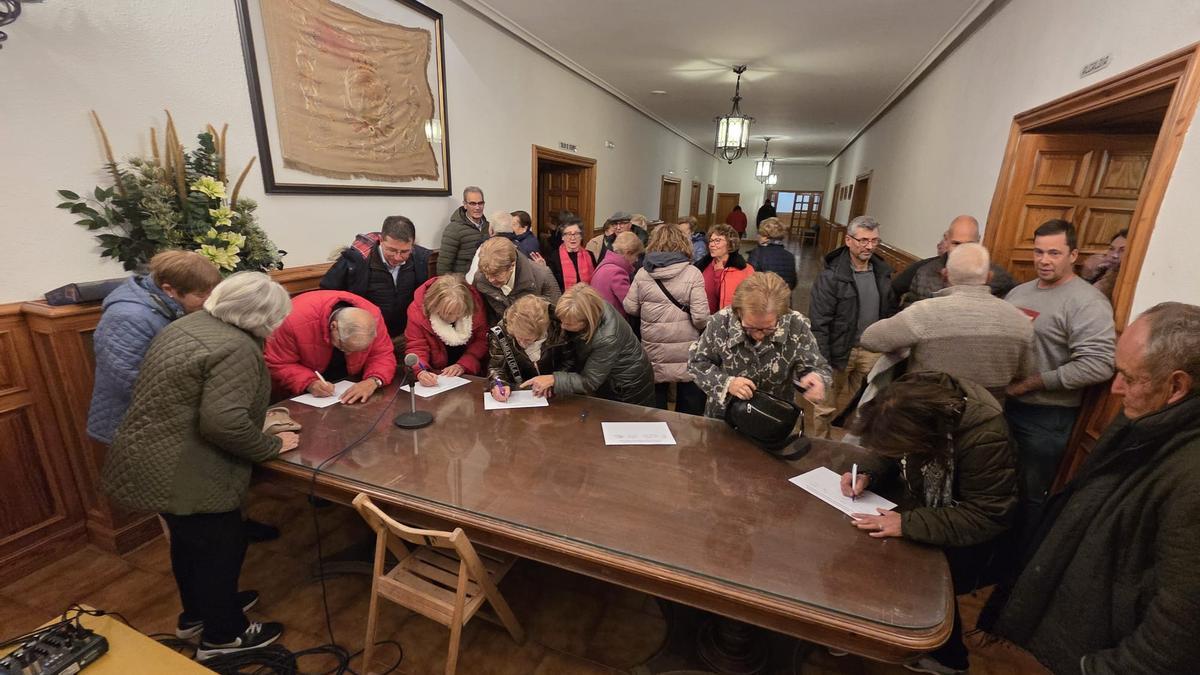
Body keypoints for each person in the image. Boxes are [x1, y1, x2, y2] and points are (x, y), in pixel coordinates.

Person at [983, 301, 1200, 675]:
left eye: (1130, 378)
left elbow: (1181, 624)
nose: (1115, 388)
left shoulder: (1190, 473)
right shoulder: (1153, 423)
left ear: (1177, 385)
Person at [100, 272, 297, 660]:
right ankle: (224, 637)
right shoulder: (237, 347)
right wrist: (270, 444)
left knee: (189, 548)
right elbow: (224, 423)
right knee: (220, 549)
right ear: (262, 317)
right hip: (190, 471)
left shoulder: (188, 324)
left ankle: (196, 616)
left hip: (151, 459)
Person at [840, 371, 1017, 675]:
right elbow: (890, 452)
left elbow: (989, 514)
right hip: (923, 508)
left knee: (925, 588)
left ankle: (948, 661)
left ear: (923, 438)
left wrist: (907, 524)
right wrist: (867, 472)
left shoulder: (984, 435)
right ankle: (858, 630)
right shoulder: (908, 402)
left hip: (964, 537)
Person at [1003, 219, 1115, 532]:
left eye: (1054, 253)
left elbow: (1099, 363)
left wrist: (1031, 383)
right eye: (1038, 252)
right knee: (997, 487)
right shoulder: (1019, 292)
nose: (1044, 260)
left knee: (1030, 497)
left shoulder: (1087, 302)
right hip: (1005, 405)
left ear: (1073, 255)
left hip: (1046, 418)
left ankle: (1015, 573)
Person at [860, 243, 1036, 402]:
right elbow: (1024, 372)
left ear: (945, 275)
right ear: (989, 277)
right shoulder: (1020, 320)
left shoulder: (925, 312)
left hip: (926, 414)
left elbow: (870, 339)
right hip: (986, 422)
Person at [88, 250, 222, 446]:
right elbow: (128, 379)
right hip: (134, 426)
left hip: (166, 417)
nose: (209, 302)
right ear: (169, 290)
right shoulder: (127, 316)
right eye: (201, 295)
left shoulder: (170, 305)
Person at [689, 272, 829, 419]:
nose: (759, 335)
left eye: (768, 328)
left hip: (773, 420)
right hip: (724, 418)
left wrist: (816, 379)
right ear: (739, 312)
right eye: (750, 327)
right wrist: (726, 384)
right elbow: (696, 363)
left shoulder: (796, 325)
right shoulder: (720, 322)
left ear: (781, 314)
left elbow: (818, 366)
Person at [808, 215, 894, 438]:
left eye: (874, 241)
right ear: (848, 240)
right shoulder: (831, 277)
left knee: (864, 405)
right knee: (825, 405)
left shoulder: (882, 273)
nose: (869, 246)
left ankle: (850, 450)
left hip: (871, 352)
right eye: (863, 240)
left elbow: (889, 312)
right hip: (838, 351)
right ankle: (821, 448)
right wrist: (822, 360)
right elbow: (820, 322)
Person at [520, 283, 654, 406]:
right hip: (609, 379)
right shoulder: (590, 306)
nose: (563, 326)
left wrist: (553, 379)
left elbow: (589, 382)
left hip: (625, 387)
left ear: (586, 321)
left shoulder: (607, 337)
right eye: (562, 321)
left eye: (569, 324)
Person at [625, 224, 711, 415]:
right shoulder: (693, 274)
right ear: (683, 243)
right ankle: (686, 439)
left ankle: (658, 437)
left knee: (656, 399)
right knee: (688, 399)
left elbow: (630, 307)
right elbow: (700, 318)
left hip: (653, 345)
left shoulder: (643, 273)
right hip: (686, 347)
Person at [264, 290, 397, 402]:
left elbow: (381, 354)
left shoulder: (372, 317)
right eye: (344, 346)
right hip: (304, 393)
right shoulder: (292, 320)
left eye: (358, 350)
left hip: (348, 382)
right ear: (333, 326)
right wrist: (309, 383)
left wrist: (374, 381)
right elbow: (278, 363)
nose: (350, 354)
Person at [319, 215, 432, 342]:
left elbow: (421, 295)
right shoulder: (357, 260)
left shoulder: (419, 259)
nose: (397, 257)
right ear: (381, 240)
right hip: (369, 336)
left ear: (412, 244)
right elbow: (327, 294)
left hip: (405, 334)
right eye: (391, 250)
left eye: (405, 251)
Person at [900, 215, 1016, 307]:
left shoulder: (999, 276)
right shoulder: (924, 272)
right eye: (956, 243)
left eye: (969, 244)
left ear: (978, 241)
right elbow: (908, 308)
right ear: (947, 240)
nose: (962, 250)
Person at [404, 274, 489, 387]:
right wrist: (421, 371)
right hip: (436, 374)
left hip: (470, 373)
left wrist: (464, 364)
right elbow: (416, 347)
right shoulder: (417, 311)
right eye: (448, 313)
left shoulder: (475, 305)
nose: (453, 318)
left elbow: (482, 339)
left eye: (459, 313)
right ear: (434, 305)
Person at [487, 295, 576, 401]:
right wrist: (499, 383)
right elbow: (496, 368)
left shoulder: (559, 329)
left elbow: (570, 363)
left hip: (555, 394)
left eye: (528, 340)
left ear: (542, 331)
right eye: (518, 338)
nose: (522, 344)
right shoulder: (500, 333)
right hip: (518, 393)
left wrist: (553, 381)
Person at [473, 236, 561, 326]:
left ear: (512, 265)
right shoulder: (480, 279)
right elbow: (483, 314)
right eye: (486, 274)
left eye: (496, 275)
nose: (490, 280)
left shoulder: (542, 276)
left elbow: (557, 317)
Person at [695, 223, 754, 312]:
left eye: (717, 240)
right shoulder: (703, 265)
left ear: (730, 244)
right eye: (711, 241)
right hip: (703, 318)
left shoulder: (744, 269)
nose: (711, 245)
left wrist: (719, 273)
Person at [437, 186, 489, 274]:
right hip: (463, 282)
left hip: (486, 280)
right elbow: (444, 266)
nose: (477, 207)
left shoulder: (489, 226)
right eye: (473, 203)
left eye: (480, 203)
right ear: (465, 205)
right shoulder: (453, 229)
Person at [590, 231, 643, 317]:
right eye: (636, 255)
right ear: (628, 253)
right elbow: (631, 306)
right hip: (612, 322)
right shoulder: (617, 273)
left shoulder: (604, 264)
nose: (636, 260)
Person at [546, 216, 597, 291]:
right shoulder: (554, 257)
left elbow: (595, 280)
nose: (573, 238)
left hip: (587, 299)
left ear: (581, 236)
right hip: (564, 300)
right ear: (563, 237)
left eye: (576, 234)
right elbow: (551, 285)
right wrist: (544, 270)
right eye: (569, 234)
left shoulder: (590, 255)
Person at [746, 217, 798, 289]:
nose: (757, 236)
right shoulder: (790, 256)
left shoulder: (757, 253)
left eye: (759, 234)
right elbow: (793, 283)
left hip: (763, 298)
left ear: (765, 237)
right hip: (783, 298)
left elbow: (748, 280)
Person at [1079, 228, 1127, 299]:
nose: (1114, 255)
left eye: (1122, 250)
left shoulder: (1123, 280)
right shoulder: (1103, 270)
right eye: (1111, 249)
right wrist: (1087, 275)